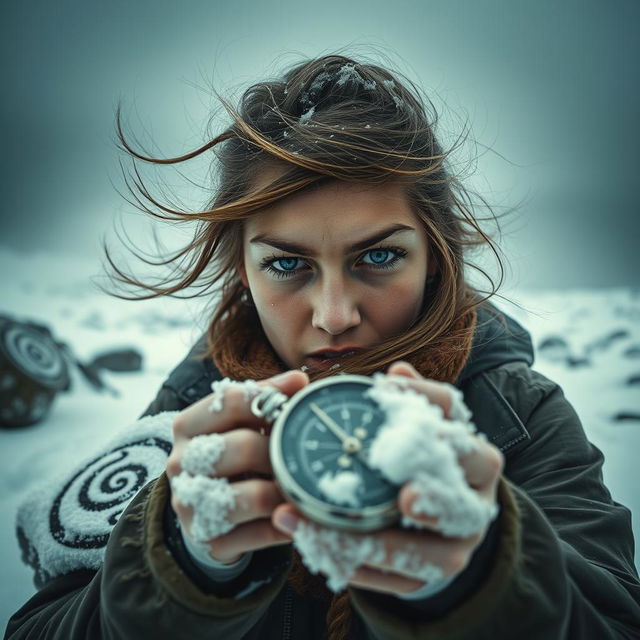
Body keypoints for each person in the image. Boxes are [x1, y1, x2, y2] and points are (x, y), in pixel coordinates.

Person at [5, 53, 640, 640]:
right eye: (287, 265)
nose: (334, 317)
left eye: (381, 256)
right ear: (241, 269)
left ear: (437, 258)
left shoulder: (516, 418)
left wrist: (488, 575)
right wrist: (177, 565)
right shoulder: (194, 410)